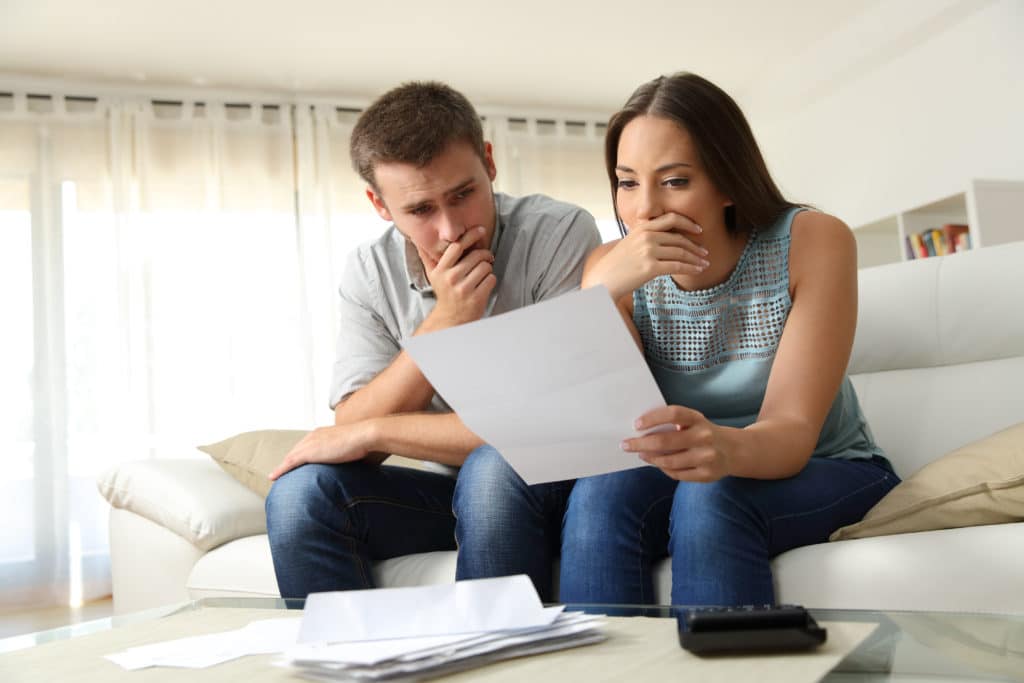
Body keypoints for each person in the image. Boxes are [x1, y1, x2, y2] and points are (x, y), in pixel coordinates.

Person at [453, 72, 900, 606]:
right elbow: (606, 427)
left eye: (675, 181)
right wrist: (596, 296)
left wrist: (723, 447)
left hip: (822, 466)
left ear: (729, 181)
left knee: (711, 495)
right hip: (681, 469)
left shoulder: (812, 240)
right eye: (627, 182)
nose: (644, 210)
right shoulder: (608, 270)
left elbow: (793, 433)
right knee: (601, 491)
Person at [264, 81, 602, 598]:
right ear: (380, 204)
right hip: (452, 493)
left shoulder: (557, 232)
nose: (449, 229)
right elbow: (350, 429)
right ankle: (358, 672)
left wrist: (376, 432)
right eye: (420, 210)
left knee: (493, 469)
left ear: (489, 162)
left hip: (557, 485)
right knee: (299, 495)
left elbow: (548, 424)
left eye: (463, 195)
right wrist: (448, 317)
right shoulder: (370, 272)